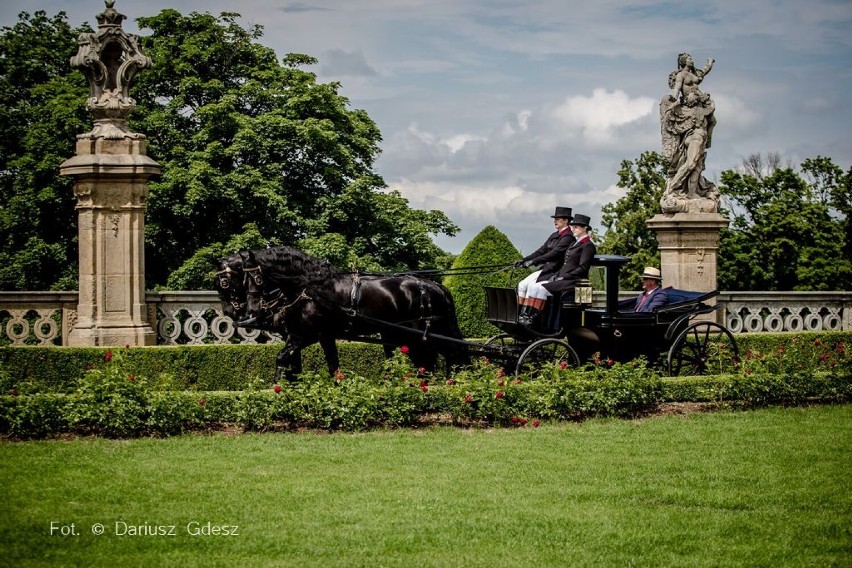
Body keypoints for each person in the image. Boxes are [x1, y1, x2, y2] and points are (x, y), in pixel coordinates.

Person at [518, 213, 596, 327]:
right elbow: (565, 264)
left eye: (576, 227)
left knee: (541, 288)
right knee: (534, 286)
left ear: (584, 228)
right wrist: (557, 275)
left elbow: (583, 268)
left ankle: (535, 318)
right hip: (563, 278)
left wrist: (564, 276)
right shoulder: (575, 243)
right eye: (573, 226)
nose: (573, 229)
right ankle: (527, 315)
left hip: (573, 281)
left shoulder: (588, 246)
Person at [514, 206, 575, 314]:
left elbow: (553, 254)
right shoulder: (554, 235)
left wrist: (534, 262)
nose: (555, 221)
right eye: (554, 219)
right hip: (546, 269)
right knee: (522, 285)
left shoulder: (568, 237)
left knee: (532, 287)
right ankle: (519, 314)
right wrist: (524, 260)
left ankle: (528, 314)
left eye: (557, 219)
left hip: (555, 271)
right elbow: (541, 251)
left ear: (565, 221)